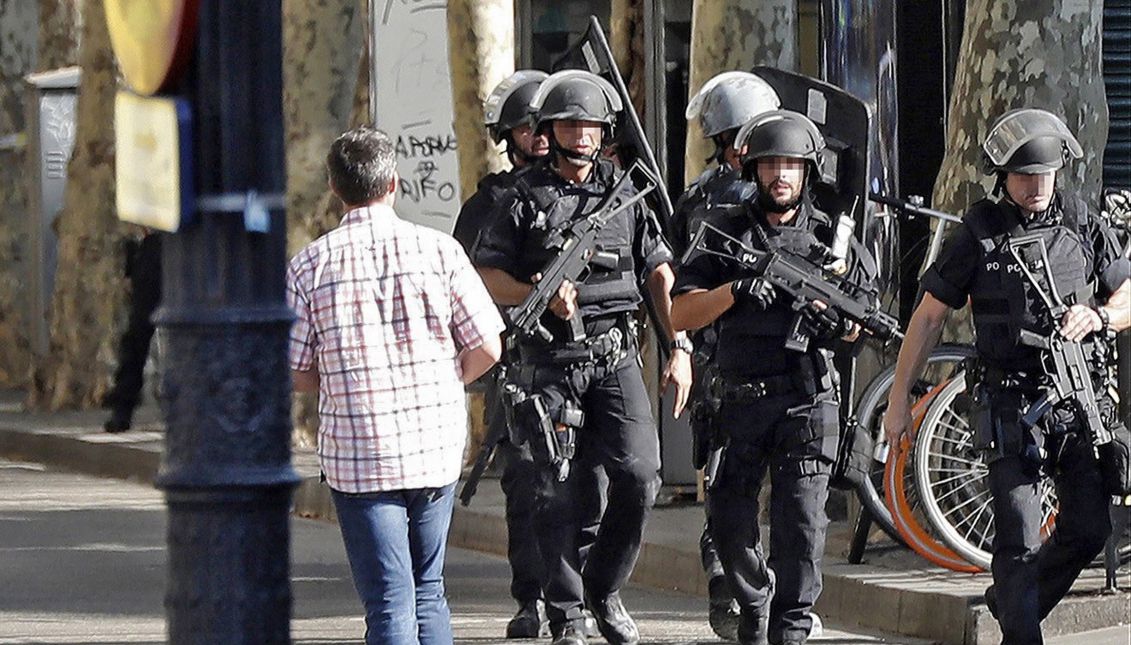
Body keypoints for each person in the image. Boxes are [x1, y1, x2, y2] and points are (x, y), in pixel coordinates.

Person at [882, 108, 1131, 645]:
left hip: (1076, 401)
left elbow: (1126, 291)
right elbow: (928, 316)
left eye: (1044, 173)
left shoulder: (1084, 222)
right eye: (1024, 175)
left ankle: (1012, 602)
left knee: (1089, 529)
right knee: (1018, 538)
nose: (1036, 184)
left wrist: (1102, 316)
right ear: (1003, 177)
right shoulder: (979, 233)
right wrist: (899, 397)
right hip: (1010, 405)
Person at [474, 69, 692, 645]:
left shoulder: (627, 193)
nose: (581, 136)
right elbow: (485, 275)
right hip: (548, 364)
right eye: (570, 124)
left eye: (590, 125)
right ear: (549, 128)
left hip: (615, 357)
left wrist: (680, 347)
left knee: (640, 474)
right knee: (554, 489)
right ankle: (567, 612)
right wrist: (535, 293)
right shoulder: (520, 200)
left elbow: (660, 274)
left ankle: (605, 586)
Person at [287, 126, 504, 645]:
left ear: (336, 190)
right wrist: (449, 380)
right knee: (429, 590)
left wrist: (338, 384)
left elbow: (291, 366)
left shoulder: (309, 265)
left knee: (388, 600)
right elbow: (489, 346)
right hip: (434, 447)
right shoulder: (440, 251)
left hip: (359, 451)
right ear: (394, 184)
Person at [671, 110, 875, 645]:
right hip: (739, 402)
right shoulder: (723, 230)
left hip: (806, 401)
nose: (780, 176)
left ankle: (790, 625)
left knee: (802, 529)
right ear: (753, 170)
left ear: (808, 172)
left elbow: (861, 323)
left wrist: (840, 325)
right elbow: (680, 313)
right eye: (770, 165)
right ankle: (755, 599)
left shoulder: (833, 239)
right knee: (730, 527)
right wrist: (735, 291)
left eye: (791, 166)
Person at [452, 69, 599, 640]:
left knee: (593, 479)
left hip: (586, 357)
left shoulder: (588, 192)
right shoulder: (493, 203)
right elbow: (466, 281)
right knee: (528, 484)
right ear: (507, 134)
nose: (538, 137)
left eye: (545, 126)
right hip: (518, 361)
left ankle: (583, 590)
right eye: (525, 127)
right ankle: (531, 597)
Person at [675, 70, 777, 641]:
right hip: (733, 362)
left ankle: (732, 577)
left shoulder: (698, 196)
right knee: (742, 484)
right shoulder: (735, 201)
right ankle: (737, 582)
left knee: (730, 483)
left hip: (726, 361)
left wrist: (680, 348)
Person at [103, 229, 162, 433]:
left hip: (163, 246)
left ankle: (123, 408)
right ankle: (123, 407)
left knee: (137, 337)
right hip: (159, 246)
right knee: (137, 336)